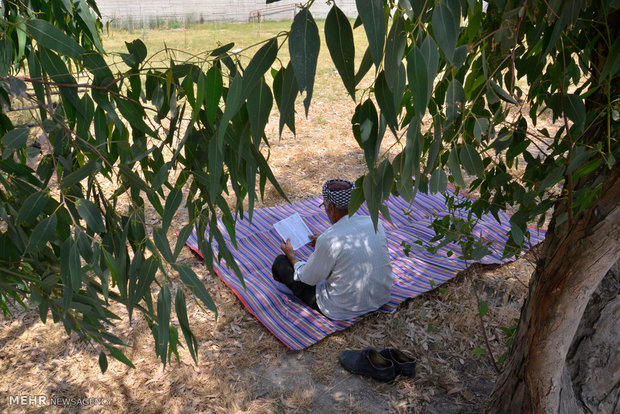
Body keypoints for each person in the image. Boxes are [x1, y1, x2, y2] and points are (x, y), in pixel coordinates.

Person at [271, 179, 394, 320]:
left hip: (342, 309)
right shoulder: (374, 222)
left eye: (324, 206)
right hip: (382, 297)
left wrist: (291, 255)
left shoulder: (328, 239)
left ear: (331, 208)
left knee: (280, 263)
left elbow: (307, 278)